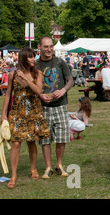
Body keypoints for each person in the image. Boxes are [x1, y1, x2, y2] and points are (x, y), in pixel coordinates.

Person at [1, 47, 50, 188]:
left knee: (31, 141)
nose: (33, 59)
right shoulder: (12, 74)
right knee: (16, 143)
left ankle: (33, 168)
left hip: (33, 110)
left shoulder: (37, 73)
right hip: (17, 111)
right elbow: (8, 94)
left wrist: (25, 79)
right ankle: (14, 175)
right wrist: (4, 114)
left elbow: (38, 90)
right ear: (23, 58)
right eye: (30, 57)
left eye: (33, 56)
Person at [36, 36, 74, 179]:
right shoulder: (35, 65)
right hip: (43, 107)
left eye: (51, 46)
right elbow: (32, 86)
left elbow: (70, 80)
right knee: (45, 139)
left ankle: (59, 165)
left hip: (60, 105)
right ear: (39, 47)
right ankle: (48, 167)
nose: (49, 49)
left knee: (61, 137)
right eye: (46, 47)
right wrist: (39, 95)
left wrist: (63, 90)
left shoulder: (59, 62)